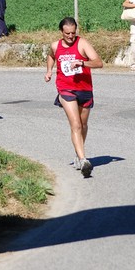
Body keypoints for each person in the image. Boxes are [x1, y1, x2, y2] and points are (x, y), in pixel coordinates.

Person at [44, 17, 103, 178]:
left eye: (73, 33)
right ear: (61, 32)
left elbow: (98, 62)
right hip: (65, 89)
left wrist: (82, 63)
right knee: (75, 124)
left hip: (84, 89)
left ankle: (78, 153)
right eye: (67, 33)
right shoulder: (55, 45)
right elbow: (51, 56)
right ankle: (84, 160)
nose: (70, 36)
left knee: (83, 125)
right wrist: (49, 71)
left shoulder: (82, 43)